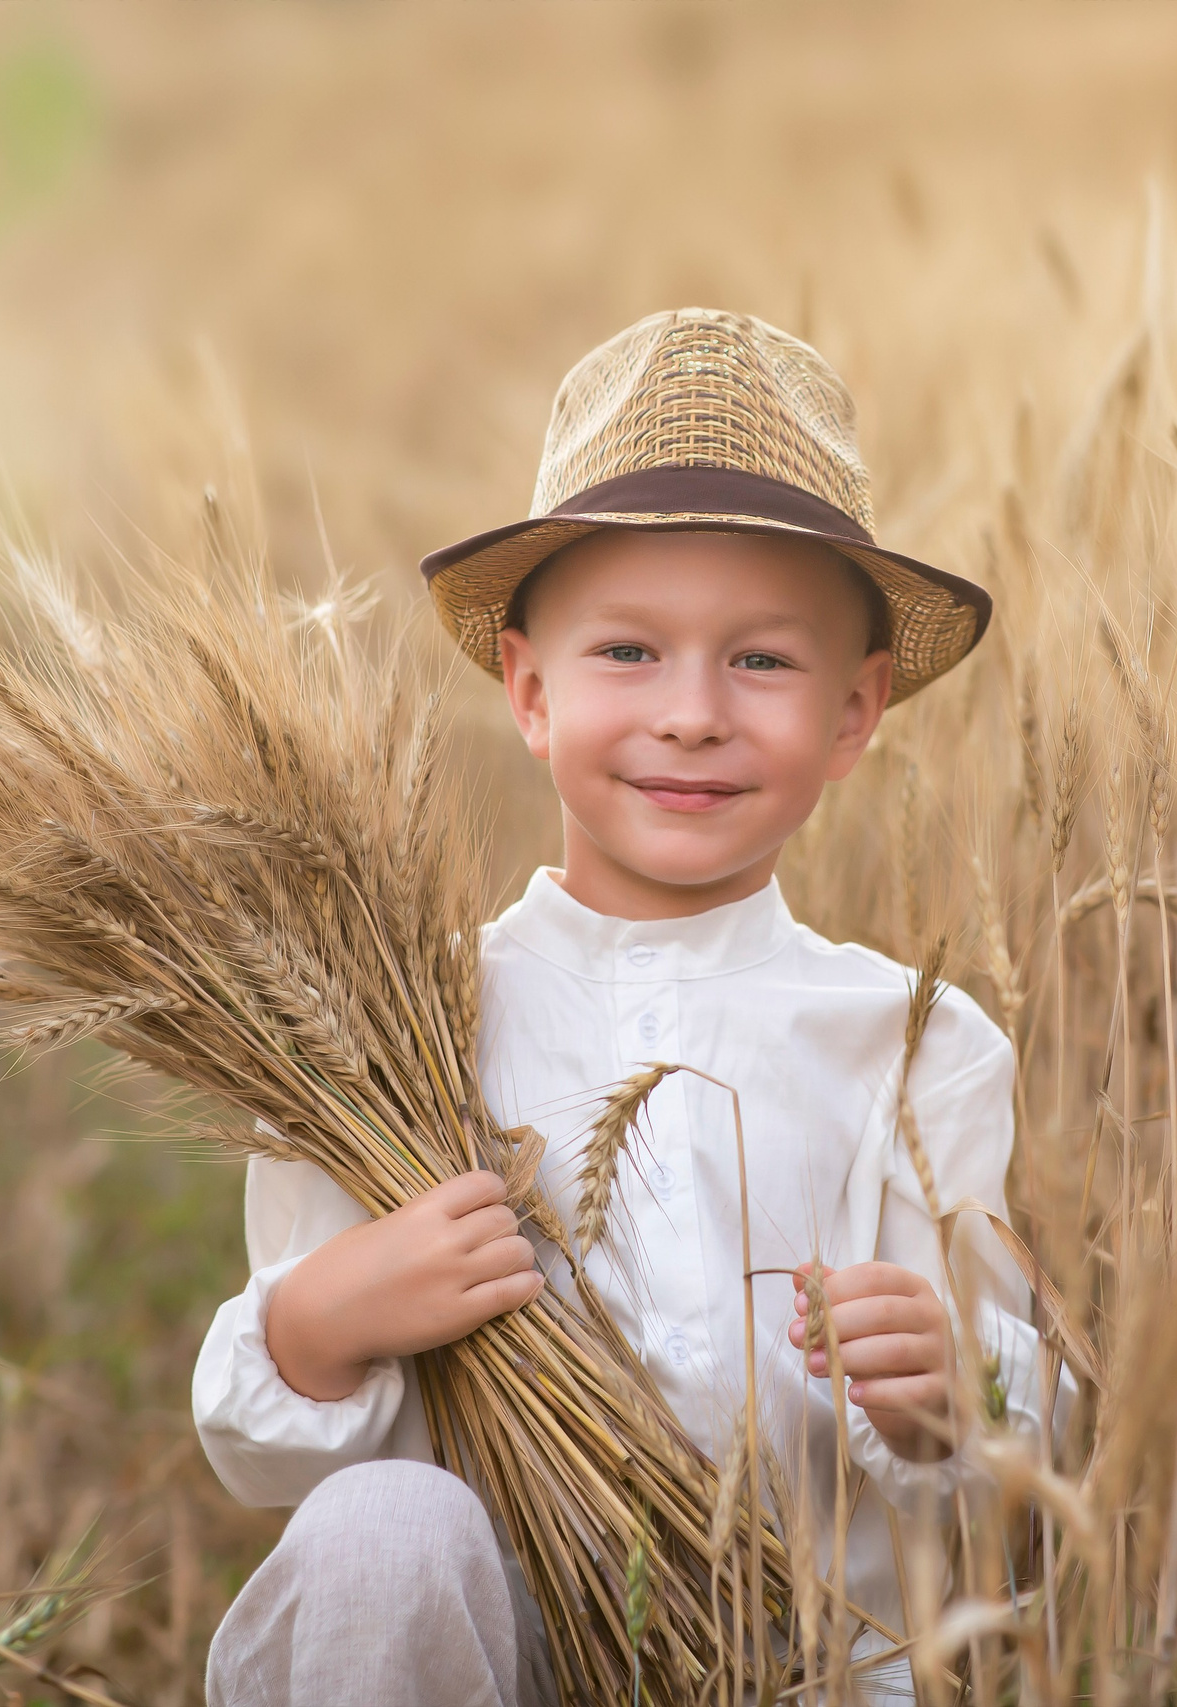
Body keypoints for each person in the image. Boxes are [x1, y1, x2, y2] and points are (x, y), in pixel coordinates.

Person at [195, 307, 1058, 1707]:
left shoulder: (917, 1047)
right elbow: (269, 1461)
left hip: (812, 1668)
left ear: (855, 714)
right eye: (628, 655)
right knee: (383, 1533)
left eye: (764, 661)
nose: (694, 712)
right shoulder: (386, 1034)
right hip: (491, 1672)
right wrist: (318, 1326)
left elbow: (1023, 1451)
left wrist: (964, 1383)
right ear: (529, 693)